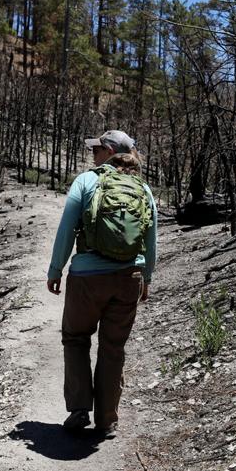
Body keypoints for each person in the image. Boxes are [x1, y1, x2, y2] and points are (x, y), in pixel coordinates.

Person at [46, 130, 157, 436]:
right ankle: (107, 419)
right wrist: (145, 277)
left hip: (86, 277)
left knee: (76, 338)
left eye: (96, 149)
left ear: (108, 151)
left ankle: (80, 409)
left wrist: (55, 269)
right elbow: (151, 236)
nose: (92, 154)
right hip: (128, 278)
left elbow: (67, 226)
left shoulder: (86, 181)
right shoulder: (142, 188)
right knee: (113, 347)